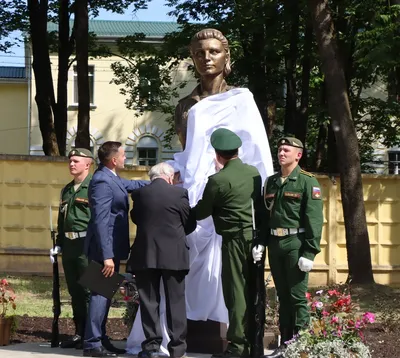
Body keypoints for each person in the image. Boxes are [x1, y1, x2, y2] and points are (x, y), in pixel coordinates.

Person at [127, 28, 274, 355]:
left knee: (231, 277)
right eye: (199, 53)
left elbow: (255, 153)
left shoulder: (241, 101)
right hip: (192, 195)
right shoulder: (185, 106)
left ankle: (235, 334)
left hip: (229, 199)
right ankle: (174, 333)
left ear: (226, 56)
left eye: (213, 51)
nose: (206, 58)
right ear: (193, 59)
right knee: (180, 266)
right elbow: (189, 154)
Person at [193, 128, 262, 358]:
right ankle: (253, 340)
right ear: (237, 151)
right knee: (253, 290)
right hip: (254, 240)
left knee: (235, 292)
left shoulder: (218, 180)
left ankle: (237, 346)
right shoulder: (253, 173)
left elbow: (201, 212)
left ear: (218, 154)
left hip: (233, 240)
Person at [252, 137, 324, 358]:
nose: (281, 153)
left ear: (298, 155)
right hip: (275, 243)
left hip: (295, 244)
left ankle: (302, 345)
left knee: (297, 296)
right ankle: (285, 344)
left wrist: (310, 252)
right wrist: (261, 241)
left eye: (286, 150)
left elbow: (314, 219)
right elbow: (265, 216)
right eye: (279, 149)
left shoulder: (307, 182)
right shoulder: (272, 182)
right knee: (282, 295)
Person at [83, 141, 149, 358]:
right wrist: (107, 256)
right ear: (113, 160)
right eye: (123, 155)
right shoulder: (102, 180)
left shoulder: (111, 177)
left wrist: (155, 183)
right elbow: (101, 221)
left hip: (111, 247)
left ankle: (100, 339)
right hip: (105, 249)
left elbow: (129, 185)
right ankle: (92, 344)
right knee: (100, 293)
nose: (125, 158)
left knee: (105, 293)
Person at [126, 162, 196, 358]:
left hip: (145, 254)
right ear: (169, 176)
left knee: (149, 301)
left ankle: (151, 347)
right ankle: (177, 348)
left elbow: (137, 218)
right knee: (176, 301)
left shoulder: (139, 195)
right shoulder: (179, 194)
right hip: (174, 256)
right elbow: (189, 223)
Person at [49, 148, 94, 349]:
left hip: (87, 245)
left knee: (90, 289)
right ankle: (79, 333)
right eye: (70, 161)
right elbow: (61, 219)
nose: (71, 164)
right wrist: (59, 243)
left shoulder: (94, 187)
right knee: (75, 291)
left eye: (76, 161)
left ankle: (92, 334)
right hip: (69, 246)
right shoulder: (67, 190)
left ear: (88, 164)